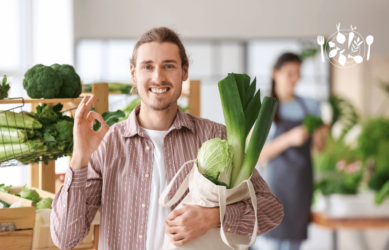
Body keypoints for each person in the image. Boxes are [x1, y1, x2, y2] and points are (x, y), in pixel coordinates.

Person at [50, 27, 284, 250]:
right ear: (134, 73)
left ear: (184, 71)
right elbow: (65, 238)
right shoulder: (108, 143)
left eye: (169, 66)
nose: (158, 77)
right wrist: (80, 158)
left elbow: (271, 211)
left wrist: (213, 217)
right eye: (148, 67)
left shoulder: (215, 138)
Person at [254, 53, 328, 250]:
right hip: (274, 189)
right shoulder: (265, 108)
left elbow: (320, 148)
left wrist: (320, 134)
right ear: (275, 73)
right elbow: (258, 156)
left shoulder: (311, 106)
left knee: (293, 245)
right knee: (270, 243)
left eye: (298, 73)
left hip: (301, 188)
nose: (295, 79)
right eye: (289, 73)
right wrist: (290, 139)